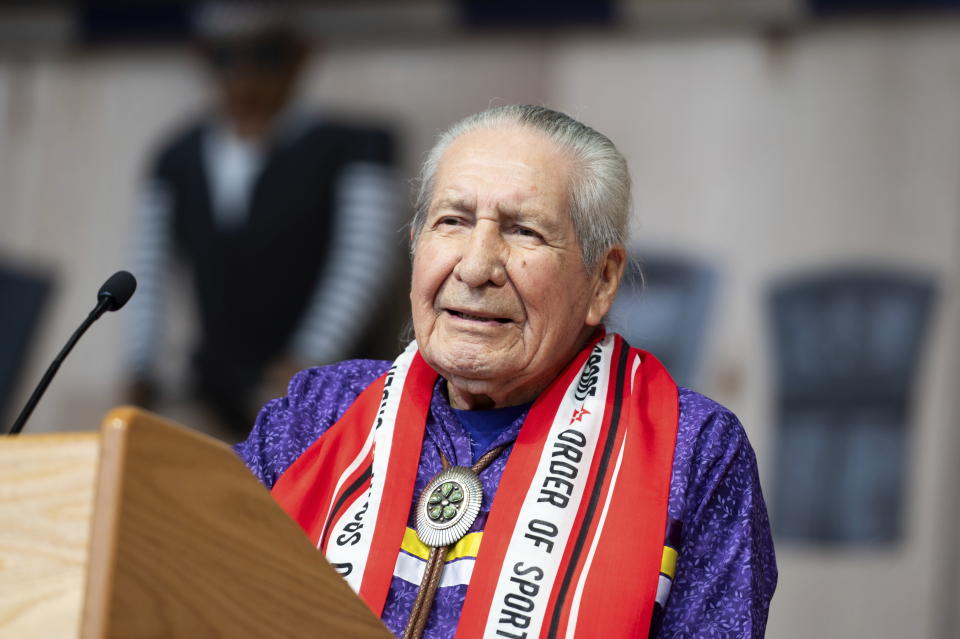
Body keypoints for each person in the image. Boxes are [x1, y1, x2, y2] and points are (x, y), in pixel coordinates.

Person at [236, 105, 777, 638]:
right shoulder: (319, 412)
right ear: (415, 248)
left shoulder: (695, 450)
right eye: (452, 222)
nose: (474, 267)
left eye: (523, 232)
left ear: (603, 281)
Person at [125, 9, 398, 436]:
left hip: (335, 397)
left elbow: (363, 263)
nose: (245, 75)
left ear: (300, 57)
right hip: (216, 394)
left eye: (265, 55)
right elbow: (147, 271)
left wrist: (308, 360)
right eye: (225, 58)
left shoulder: (358, 148)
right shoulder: (175, 157)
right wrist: (141, 365)